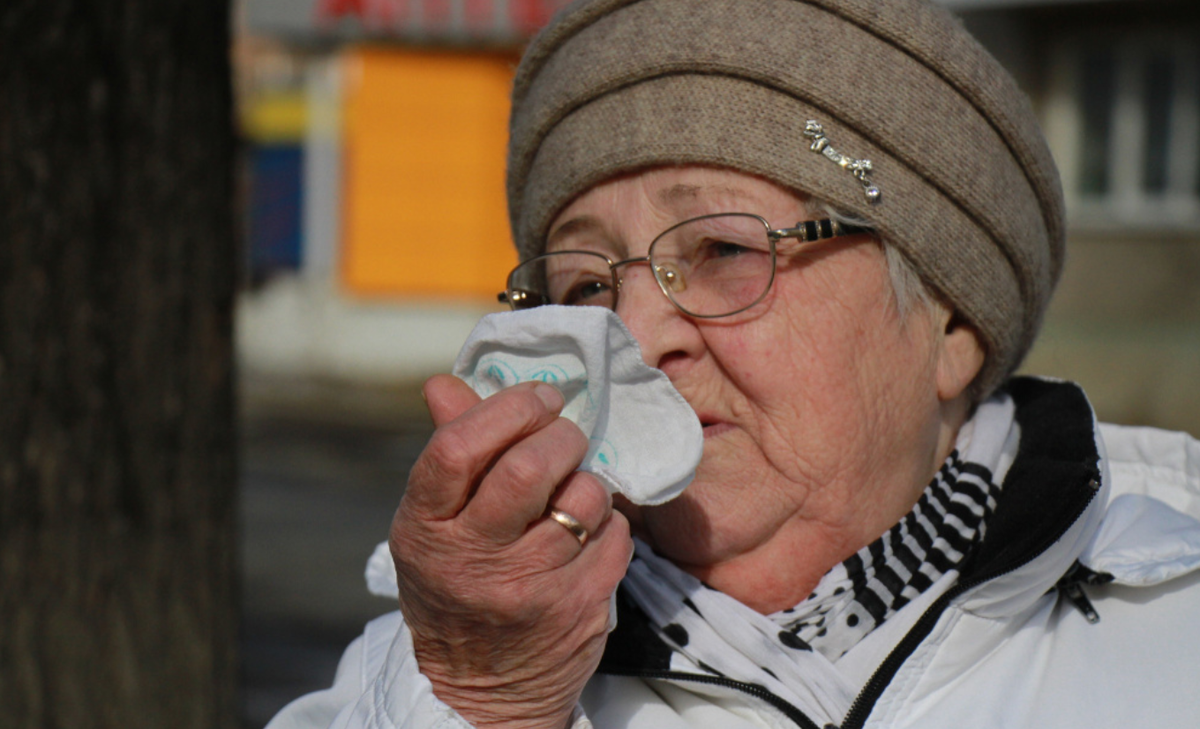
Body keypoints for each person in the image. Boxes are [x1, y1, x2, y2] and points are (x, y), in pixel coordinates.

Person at [269, 0, 1200, 727]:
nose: (632, 331)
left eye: (721, 251)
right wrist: (483, 702)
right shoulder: (445, 665)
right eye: (586, 285)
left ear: (951, 327)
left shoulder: (1177, 627)